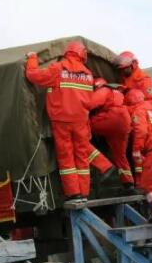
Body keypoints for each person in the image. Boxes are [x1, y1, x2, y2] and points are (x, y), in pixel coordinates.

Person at [24, 41, 108, 201]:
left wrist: (33, 58)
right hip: (81, 121)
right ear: (82, 54)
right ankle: (84, 193)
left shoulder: (58, 68)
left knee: (66, 156)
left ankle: (73, 193)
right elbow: (90, 100)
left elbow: (32, 75)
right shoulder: (88, 75)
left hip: (61, 121)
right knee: (82, 157)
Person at [89, 78, 135, 188]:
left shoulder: (103, 90)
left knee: (80, 130)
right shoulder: (117, 92)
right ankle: (128, 183)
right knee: (120, 154)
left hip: (112, 118)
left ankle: (105, 166)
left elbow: (90, 104)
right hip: (125, 122)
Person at [125, 89, 152, 190]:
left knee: (147, 182)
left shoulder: (139, 111)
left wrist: (137, 149)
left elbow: (141, 131)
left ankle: (141, 189)